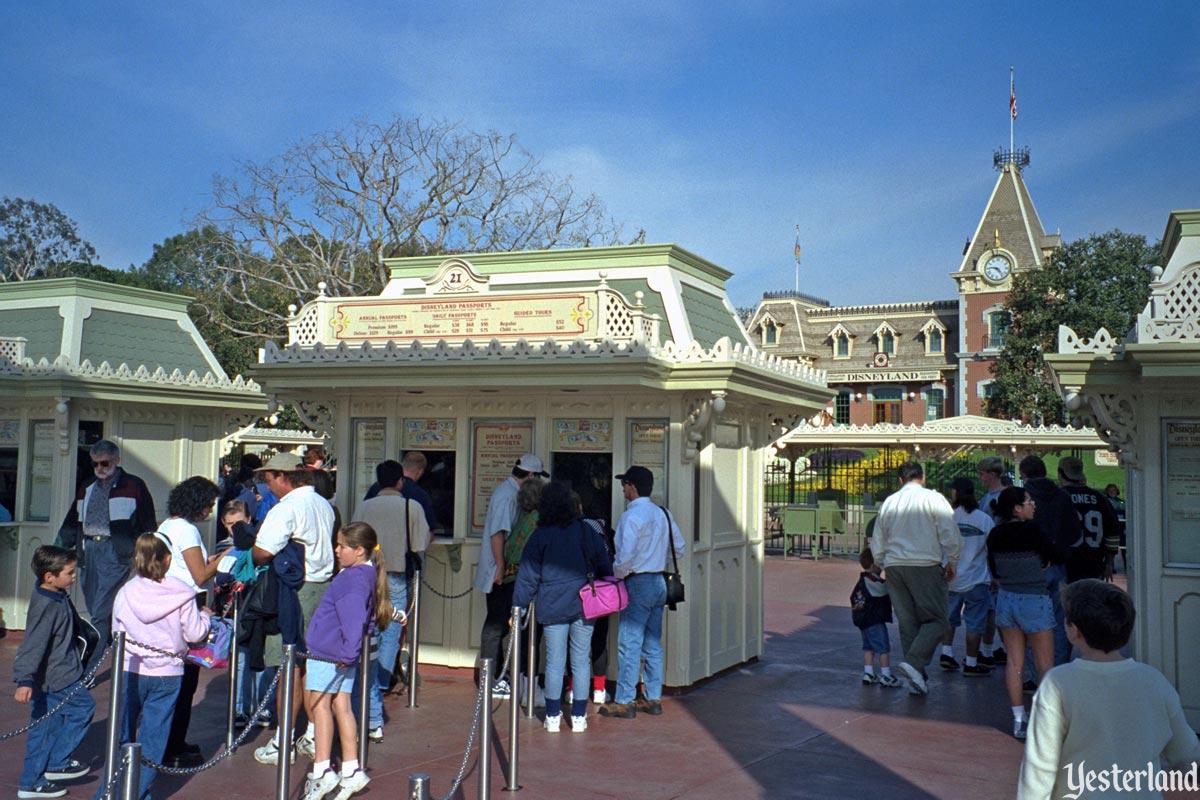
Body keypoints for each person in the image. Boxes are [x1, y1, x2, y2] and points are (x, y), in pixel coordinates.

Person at [1018, 580, 1200, 799]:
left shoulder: (1058, 683)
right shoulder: (1153, 681)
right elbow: (1186, 753)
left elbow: (1040, 768)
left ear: (1074, 630)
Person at [107, 533, 212, 800]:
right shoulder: (182, 592)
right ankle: (138, 792)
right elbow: (195, 633)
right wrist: (205, 617)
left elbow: (116, 629)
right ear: (167, 559)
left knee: (122, 734)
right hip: (168, 670)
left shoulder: (125, 591)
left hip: (130, 668)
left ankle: (111, 790)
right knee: (154, 739)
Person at [251, 452, 335, 767]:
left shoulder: (286, 509)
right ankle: (312, 733)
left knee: (288, 666)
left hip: (294, 592)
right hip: (322, 587)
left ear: (282, 477)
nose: (267, 485)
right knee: (312, 664)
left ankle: (283, 739)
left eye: (268, 478)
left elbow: (262, 552)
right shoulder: (323, 504)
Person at [512, 481, 612, 733]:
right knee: (580, 660)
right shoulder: (586, 530)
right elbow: (604, 565)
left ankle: (553, 716)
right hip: (584, 603)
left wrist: (518, 606)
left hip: (552, 603)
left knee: (555, 662)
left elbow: (528, 575)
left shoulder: (541, 534)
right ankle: (579, 716)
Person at [298, 522, 387, 800]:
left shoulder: (351, 578)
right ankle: (350, 768)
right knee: (341, 705)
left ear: (359, 551)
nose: (337, 551)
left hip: (329, 652)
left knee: (320, 705)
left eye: (343, 546)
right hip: (341, 652)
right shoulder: (365, 574)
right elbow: (366, 618)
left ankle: (323, 768)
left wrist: (348, 654)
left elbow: (354, 619)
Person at [350, 459, 430, 737]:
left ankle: (368, 678)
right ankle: (383, 679)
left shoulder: (365, 506)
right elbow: (420, 545)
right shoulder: (412, 506)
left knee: (367, 626)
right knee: (393, 628)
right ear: (400, 481)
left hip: (367, 573)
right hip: (396, 573)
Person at [56, 439, 157, 657]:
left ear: (116, 460)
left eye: (104, 463)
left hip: (117, 552)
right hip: (88, 550)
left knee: (100, 612)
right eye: (95, 464)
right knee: (95, 607)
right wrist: (57, 550)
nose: (100, 468)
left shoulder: (134, 485)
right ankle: (111, 643)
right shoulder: (87, 486)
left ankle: (88, 669)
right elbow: (73, 521)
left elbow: (148, 524)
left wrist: (146, 556)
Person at [599, 465, 685, 719]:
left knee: (629, 641)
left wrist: (617, 574)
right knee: (652, 642)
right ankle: (653, 697)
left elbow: (625, 556)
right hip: (659, 581)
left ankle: (624, 700)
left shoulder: (631, 517)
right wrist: (657, 559)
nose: (623, 489)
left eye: (624, 484)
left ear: (632, 487)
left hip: (638, 582)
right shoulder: (663, 513)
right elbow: (678, 548)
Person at [869, 462, 961, 695]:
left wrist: (879, 563)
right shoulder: (933, 498)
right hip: (924, 563)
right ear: (923, 477)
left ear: (900, 480)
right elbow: (949, 531)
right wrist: (953, 560)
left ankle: (917, 677)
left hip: (894, 565)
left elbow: (878, 537)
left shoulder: (890, 502)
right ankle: (914, 663)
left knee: (908, 622)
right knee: (939, 619)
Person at [153, 476, 223, 769]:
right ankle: (173, 746)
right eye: (208, 504)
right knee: (185, 682)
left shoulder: (166, 526)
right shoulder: (188, 531)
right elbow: (200, 575)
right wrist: (225, 558)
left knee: (173, 680)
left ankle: (169, 741)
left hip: (167, 604)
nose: (209, 510)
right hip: (187, 606)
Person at [14, 546, 95, 800]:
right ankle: (56, 762)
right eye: (69, 573)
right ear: (49, 576)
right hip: (57, 677)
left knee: (44, 727)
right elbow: (33, 643)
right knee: (83, 709)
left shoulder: (54, 594)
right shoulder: (46, 605)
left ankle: (32, 781)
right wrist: (25, 679)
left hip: (56, 675)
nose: (73, 577)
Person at [473, 454, 548, 699]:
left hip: (502, 569)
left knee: (500, 624)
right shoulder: (506, 495)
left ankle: (498, 675)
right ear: (530, 475)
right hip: (499, 571)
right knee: (495, 623)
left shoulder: (508, 492)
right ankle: (490, 678)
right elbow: (498, 534)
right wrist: (501, 567)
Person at [987, 487, 1057, 739]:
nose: (1033, 506)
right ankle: (1046, 719)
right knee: (1044, 664)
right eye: (1029, 502)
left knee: (1014, 662)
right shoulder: (1035, 531)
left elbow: (993, 568)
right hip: (1034, 598)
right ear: (1017, 508)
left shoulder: (995, 535)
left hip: (1006, 599)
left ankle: (1018, 719)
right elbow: (1053, 556)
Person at [1018, 455, 1079, 666]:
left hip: (1030, 566)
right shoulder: (1062, 496)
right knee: (1058, 622)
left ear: (1024, 474)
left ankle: (1036, 672)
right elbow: (1074, 532)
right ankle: (1058, 667)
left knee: (1031, 622)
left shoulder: (1023, 498)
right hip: (1059, 564)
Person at [939, 477, 994, 676]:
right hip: (977, 579)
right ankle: (971, 662)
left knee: (949, 618)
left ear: (955, 493)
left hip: (950, 577)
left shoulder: (948, 517)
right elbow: (991, 549)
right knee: (975, 623)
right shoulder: (984, 519)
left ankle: (946, 652)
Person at [501, 478, 546, 707]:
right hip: (528, 585)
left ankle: (519, 684)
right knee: (532, 640)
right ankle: (531, 689)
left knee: (519, 639)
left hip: (513, 581)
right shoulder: (540, 523)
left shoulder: (522, 521)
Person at [1057, 456, 1120, 582]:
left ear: (1060, 474)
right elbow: (1113, 532)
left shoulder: (1057, 497)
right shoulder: (1100, 499)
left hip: (1065, 565)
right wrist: (1109, 562)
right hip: (1094, 563)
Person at [851, 547, 901, 688]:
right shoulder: (872, 580)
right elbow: (883, 590)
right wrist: (892, 582)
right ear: (874, 565)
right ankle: (886, 675)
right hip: (874, 620)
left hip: (864, 621)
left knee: (868, 648)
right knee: (883, 648)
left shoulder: (862, 580)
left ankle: (869, 673)